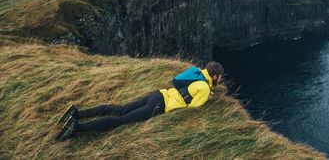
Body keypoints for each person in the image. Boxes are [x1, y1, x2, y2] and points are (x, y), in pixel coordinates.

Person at [56, 61, 224, 141]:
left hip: (158, 95)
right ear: (215, 76)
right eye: (220, 77)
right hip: (160, 105)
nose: (220, 80)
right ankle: (77, 128)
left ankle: (78, 113)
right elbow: (192, 107)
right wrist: (206, 99)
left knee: (121, 109)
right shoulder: (203, 87)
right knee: (120, 120)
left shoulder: (197, 73)